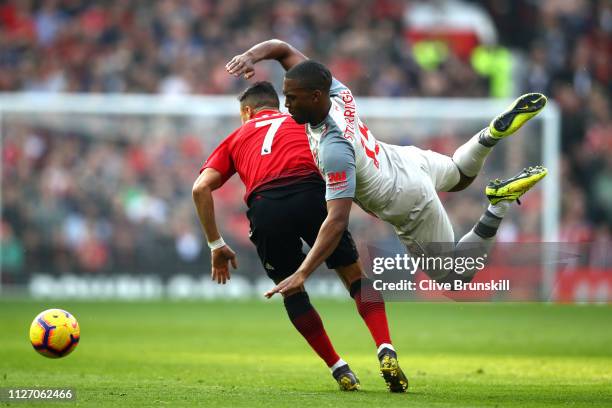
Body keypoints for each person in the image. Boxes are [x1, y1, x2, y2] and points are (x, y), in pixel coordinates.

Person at [225, 39, 548, 297]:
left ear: (315, 96)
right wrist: (251, 56)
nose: (287, 105)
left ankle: (499, 203)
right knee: (461, 176)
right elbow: (282, 49)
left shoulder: (333, 148)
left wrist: (303, 272)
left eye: (292, 98)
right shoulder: (339, 94)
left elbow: (336, 221)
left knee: (454, 277)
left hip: (406, 199)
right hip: (400, 159)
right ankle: (490, 135)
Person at [192, 81, 408, 392]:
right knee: (354, 276)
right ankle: (385, 347)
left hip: (266, 208)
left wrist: (216, 244)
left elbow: (200, 188)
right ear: (278, 105)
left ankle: (339, 368)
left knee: (292, 291)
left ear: (247, 111)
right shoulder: (303, 120)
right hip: (310, 195)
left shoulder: (236, 136)